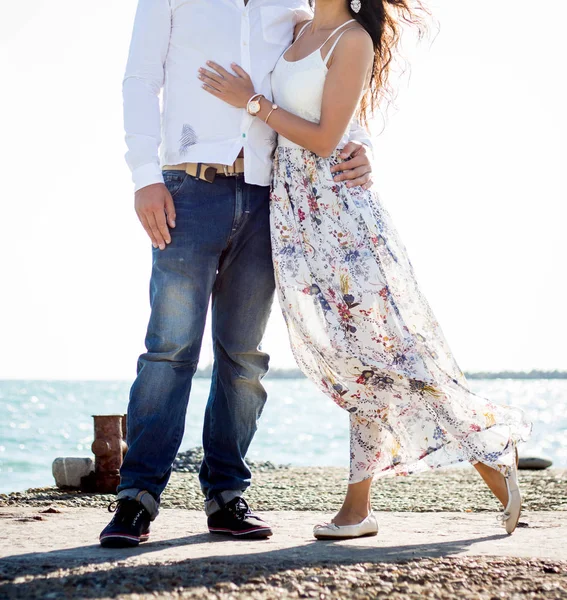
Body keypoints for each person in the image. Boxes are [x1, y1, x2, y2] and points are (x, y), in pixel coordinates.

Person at [199, 0, 532, 539]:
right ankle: (365, 507)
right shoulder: (299, 28)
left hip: (343, 219)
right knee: (357, 363)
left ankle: (488, 455)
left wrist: (253, 103)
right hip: (299, 217)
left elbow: (329, 137)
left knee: (387, 352)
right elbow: (352, 124)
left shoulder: (352, 39)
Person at [99, 0, 375, 548]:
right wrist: (142, 176)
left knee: (244, 357)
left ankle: (226, 495)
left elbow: (316, 82)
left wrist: (363, 145)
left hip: (268, 196)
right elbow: (139, 78)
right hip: (185, 189)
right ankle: (137, 498)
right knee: (170, 349)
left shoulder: (295, 5)